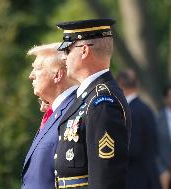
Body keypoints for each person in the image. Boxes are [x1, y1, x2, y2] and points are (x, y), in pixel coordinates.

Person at [54, 18, 131, 189]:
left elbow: (106, 177)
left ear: (84, 51)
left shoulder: (102, 101)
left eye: (67, 50)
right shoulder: (88, 97)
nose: (64, 57)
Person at [21, 43, 78, 189]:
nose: (31, 75)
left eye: (38, 68)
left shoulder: (74, 110)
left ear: (58, 75)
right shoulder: (57, 110)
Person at [117, 69, 161, 189]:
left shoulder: (130, 111)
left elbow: (133, 148)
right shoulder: (145, 108)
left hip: (135, 177)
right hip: (148, 174)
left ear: (119, 84)